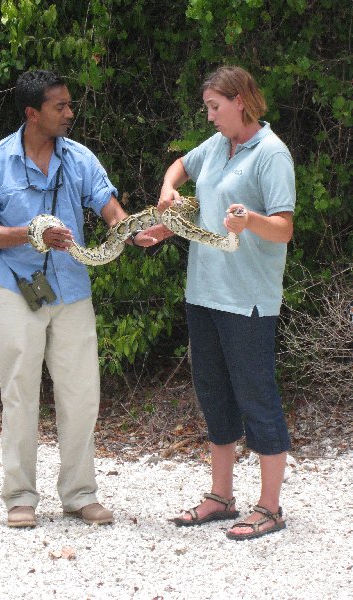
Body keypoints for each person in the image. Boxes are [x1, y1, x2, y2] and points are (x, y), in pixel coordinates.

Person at [0, 69, 159, 528]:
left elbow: (110, 209)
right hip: (17, 290)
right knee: (19, 393)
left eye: (70, 104)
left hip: (71, 291)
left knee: (81, 394)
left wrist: (133, 231)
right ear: (32, 113)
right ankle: (20, 497)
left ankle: (79, 494)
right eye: (60, 106)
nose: (70, 113)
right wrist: (32, 234)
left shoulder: (80, 158)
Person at [157, 66, 296, 540]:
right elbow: (181, 165)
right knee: (214, 394)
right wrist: (168, 190)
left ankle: (271, 507)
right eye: (207, 108)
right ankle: (221, 497)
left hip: (248, 302)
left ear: (240, 102)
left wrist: (251, 220)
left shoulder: (272, 154)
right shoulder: (217, 146)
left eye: (215, 107)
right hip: (204, 294)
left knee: (256, 396)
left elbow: (284, 228)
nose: (210, 116)